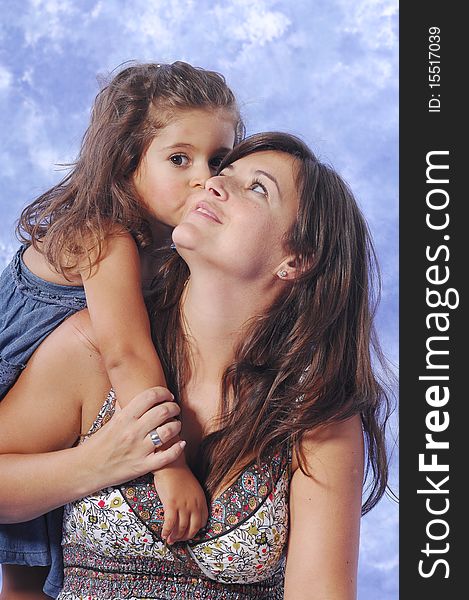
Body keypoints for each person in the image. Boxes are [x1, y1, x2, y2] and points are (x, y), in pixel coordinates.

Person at [0, 132, 391, 599]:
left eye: (257, 188)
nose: (212, 185)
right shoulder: (94, 347)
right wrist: (94, 464)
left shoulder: (314, 413)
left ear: (296, 259)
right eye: (224, 174)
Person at [0, 60, 244, 598]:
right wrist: (170, 467)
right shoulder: (105, 235)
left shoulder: (168, 241)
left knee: (34, 561)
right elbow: (126, 354)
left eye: (219, 159)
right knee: (21, 569)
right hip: (15, 379)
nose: (204, 176)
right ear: (126, 162)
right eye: (179, 159)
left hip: (57, 397)